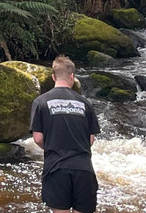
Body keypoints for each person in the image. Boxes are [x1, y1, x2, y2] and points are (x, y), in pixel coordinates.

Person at [30, 55, 101, 213]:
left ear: (53, 77)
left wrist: (53, 146)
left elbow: (38, 138)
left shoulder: (40, 102)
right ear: (72, 77)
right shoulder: (86, 103)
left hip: (56, 168)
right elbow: (90, 140)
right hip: (84, 169)